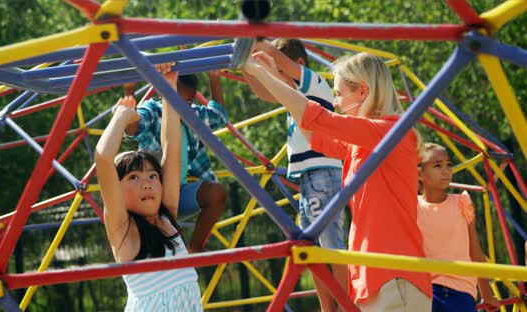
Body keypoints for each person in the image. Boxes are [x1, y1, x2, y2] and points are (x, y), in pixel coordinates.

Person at [242, 51, 432, 311]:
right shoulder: (362, 143)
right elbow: (315, 135)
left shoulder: (390, 132)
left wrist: (259, 73)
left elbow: (318, 117)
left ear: (363, 91)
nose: (337, 101)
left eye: (340, 93)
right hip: (374, 279)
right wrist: (275, 80)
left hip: (395, 277)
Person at [242, 39, 346, 312]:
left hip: (323, 173)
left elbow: (278, 56)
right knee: (311, 248)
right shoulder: (293, 94)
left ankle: (347, 306)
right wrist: (245, 64)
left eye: (279, 71)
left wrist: (254, 39)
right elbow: (264, 91)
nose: (275, 78)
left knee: (332, 246)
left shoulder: (313, 83)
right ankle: (328, 308)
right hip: (309, 179)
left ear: (298, 65)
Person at [95, 63, 202, 311]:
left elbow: (172, 148)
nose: (147, 184)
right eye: (133, 177)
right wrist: (122, 116)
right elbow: (103, 158)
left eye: (153, 176)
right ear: (116, 191)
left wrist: (168, 88)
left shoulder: (167, 216)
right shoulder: (124, 229)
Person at [124, 71, 228, 253]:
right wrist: (129, 91)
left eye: (188, 102)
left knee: (216, 193)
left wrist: (214, 78)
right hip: (154, 194)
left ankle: (195, 247)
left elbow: (218, 117)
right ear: (160, 94)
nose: (182, 108)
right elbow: (133, 129)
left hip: (180, 192)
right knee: (170, 236)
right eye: (176, 100)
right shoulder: (153, 110)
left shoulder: (192, 115)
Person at [417, 143, 499, 312]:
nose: (446, 170)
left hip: (461, 291)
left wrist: (487, 294)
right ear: (419, 173)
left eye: (448, 164)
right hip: (424, 291)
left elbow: (475, 251)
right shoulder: (412, 206)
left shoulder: (461, 203)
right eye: (437, 165)